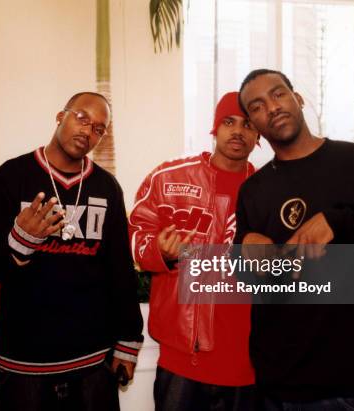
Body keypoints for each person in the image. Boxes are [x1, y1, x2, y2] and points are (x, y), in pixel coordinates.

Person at [236, 69, 354, 410]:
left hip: (352, 386)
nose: (272, 107)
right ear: (254, 125)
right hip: (277, 387)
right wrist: (246, 255)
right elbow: (256, 282)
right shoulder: (253, 191)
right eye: (257, 106)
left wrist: (341, 223)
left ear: (298, 99)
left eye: (278, 94)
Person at [0, 91, 144, 411]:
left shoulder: (107, 187)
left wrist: (128, 341)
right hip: (24, 361)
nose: (87, 130)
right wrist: (21, 241)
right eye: (81, 117)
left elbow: (120, 271)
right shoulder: (11, 176)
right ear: (60, 116)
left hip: (92, 360)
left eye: (98, 128)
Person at [128, 91, 259, 411]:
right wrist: (158, 250)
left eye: (248, 124)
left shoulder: (269, 188)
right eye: (229, 122)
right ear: (215, 128)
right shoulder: (168, 177)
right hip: (183, 358)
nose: (238, 131)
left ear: (258, 135)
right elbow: (134, 235)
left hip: (248, 360)